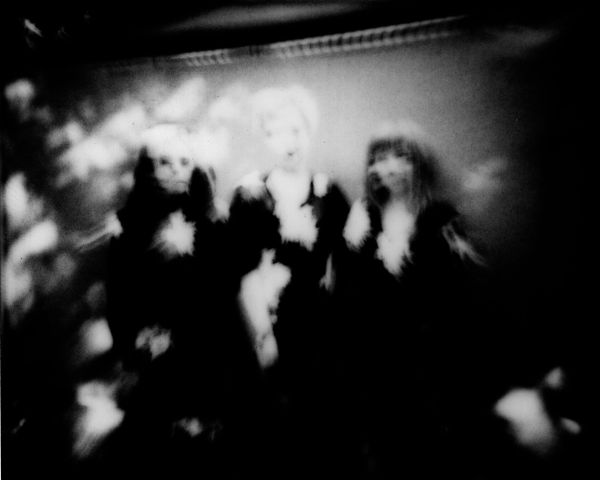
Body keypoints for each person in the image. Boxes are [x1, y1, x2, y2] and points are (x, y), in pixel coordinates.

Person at [335, 120, 493, 478]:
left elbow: (458, 298)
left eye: (400, 157)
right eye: (379, 158)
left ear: (419, 162)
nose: (388, 167)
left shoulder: (441, 218)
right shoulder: (364, 213)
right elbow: (347, 289)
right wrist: (352, 243)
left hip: (428, 364)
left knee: (424, 455)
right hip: (372, 363)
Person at [227, 85, 350, 478]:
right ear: (265, 137)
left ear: (309, 132)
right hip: (270, 323)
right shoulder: (250, 194)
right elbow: (244, 271)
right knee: (275, 430)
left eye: (296, 130)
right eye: (276, 132)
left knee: (322, 431)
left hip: (320, 327)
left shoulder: (329, 193)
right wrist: (263, 339)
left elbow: (339, 263)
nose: (288, 142)